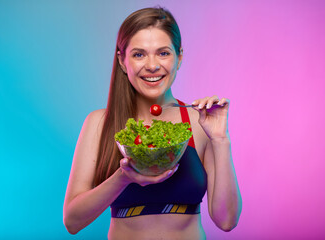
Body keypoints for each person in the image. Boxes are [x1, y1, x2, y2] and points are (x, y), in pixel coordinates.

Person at [63, 7, 242, 240]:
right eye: (139, 54)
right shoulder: (100, 124)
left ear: (179, 58)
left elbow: (226, 221)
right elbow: (72, 221)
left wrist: (220, 139)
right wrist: (123, 177)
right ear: (121, 60)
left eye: (163, 53)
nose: (152, 65)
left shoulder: (199, 123)